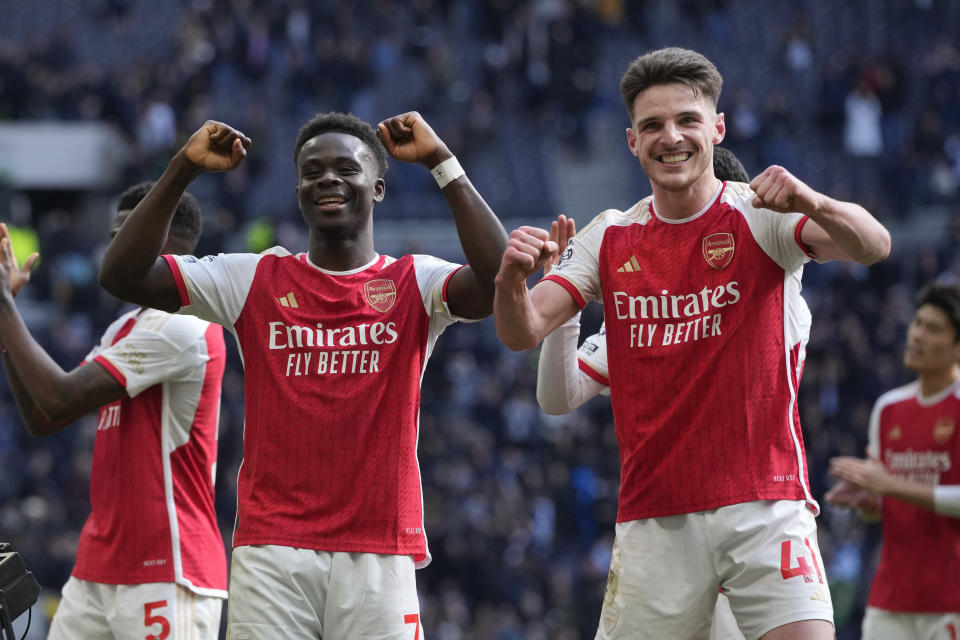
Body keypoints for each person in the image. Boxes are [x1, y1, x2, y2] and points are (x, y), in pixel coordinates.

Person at [493, 46, 891, 639]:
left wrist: (812, 200)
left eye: (687, 120)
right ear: (631, 141)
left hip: (764, 504)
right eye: (652, 125)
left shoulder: (759, 216)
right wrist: (509, 279)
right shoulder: (609, 235)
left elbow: (874, 245)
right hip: (655, 522)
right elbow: (522, 329)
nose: (670, 137)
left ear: (717, 128)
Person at [98, 111, 508, 638]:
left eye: (346, 168)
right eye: (312, 172)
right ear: (298, 192)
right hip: (272, 553)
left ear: (378, 187)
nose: (328, 179)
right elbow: (121, 274)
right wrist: (182, 168)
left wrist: (439, 161)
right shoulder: (252, 277)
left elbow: (501, 282)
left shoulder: (414, 281)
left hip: (380, 551)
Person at [536, 146, 752, 640]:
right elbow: (556, 398)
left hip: (748, 525)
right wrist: (563, 296)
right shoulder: (643, 315)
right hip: (659, 532)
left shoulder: (769, 295)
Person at [0, 183, 226, 640]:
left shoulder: (184, 323)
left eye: (124, 233)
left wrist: (4, 307)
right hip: (100, 567)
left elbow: (60, 397)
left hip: (168, 568)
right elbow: (45, 417)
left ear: (160, 237)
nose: (112, 248)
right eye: (113, 236)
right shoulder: (128, 324)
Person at [827, 282, 960, 640]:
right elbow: (887, 504)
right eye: (917, 323)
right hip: (890, 598)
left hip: (951, 597)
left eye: (933, 329)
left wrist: (889, 485)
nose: (916, 335)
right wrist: (871, 502)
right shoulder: (888, 408)